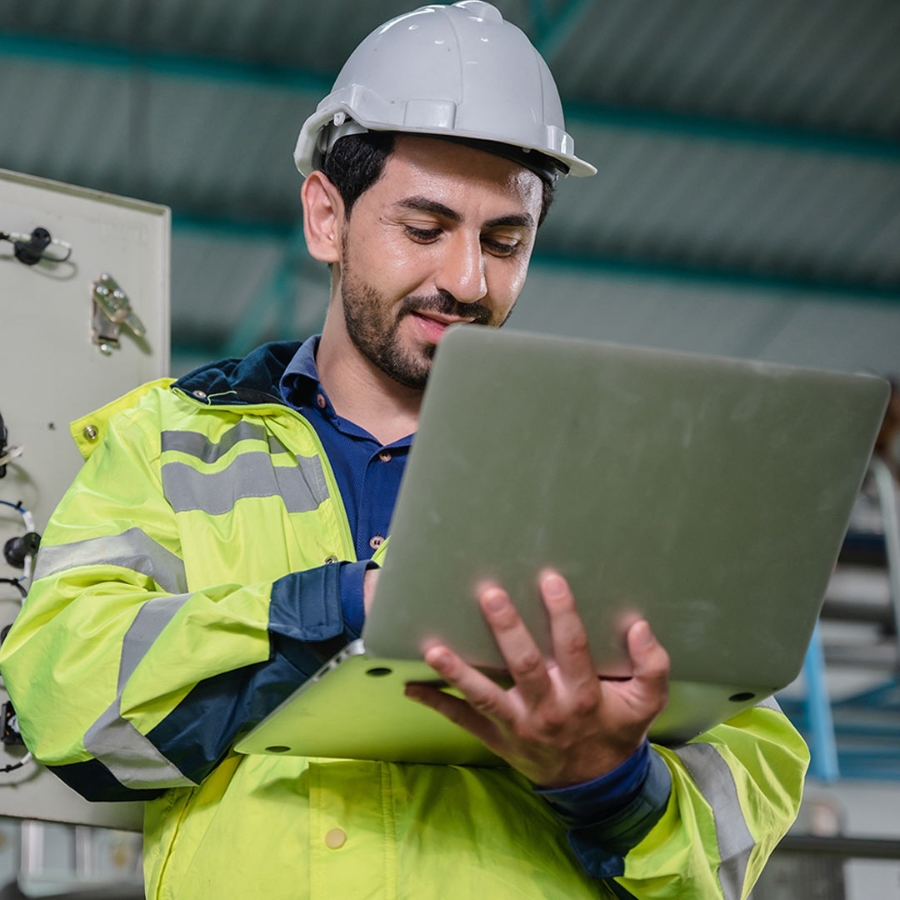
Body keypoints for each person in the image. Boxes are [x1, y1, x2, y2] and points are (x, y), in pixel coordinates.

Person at [0, 3, 808, 898]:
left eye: (506, 241)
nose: (468, 280)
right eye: (424, 229)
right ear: (327, 218)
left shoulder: (618, 473)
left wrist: (610, 782)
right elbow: (61, 691)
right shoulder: (174, 440)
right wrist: (339, 607)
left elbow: (748, 788)